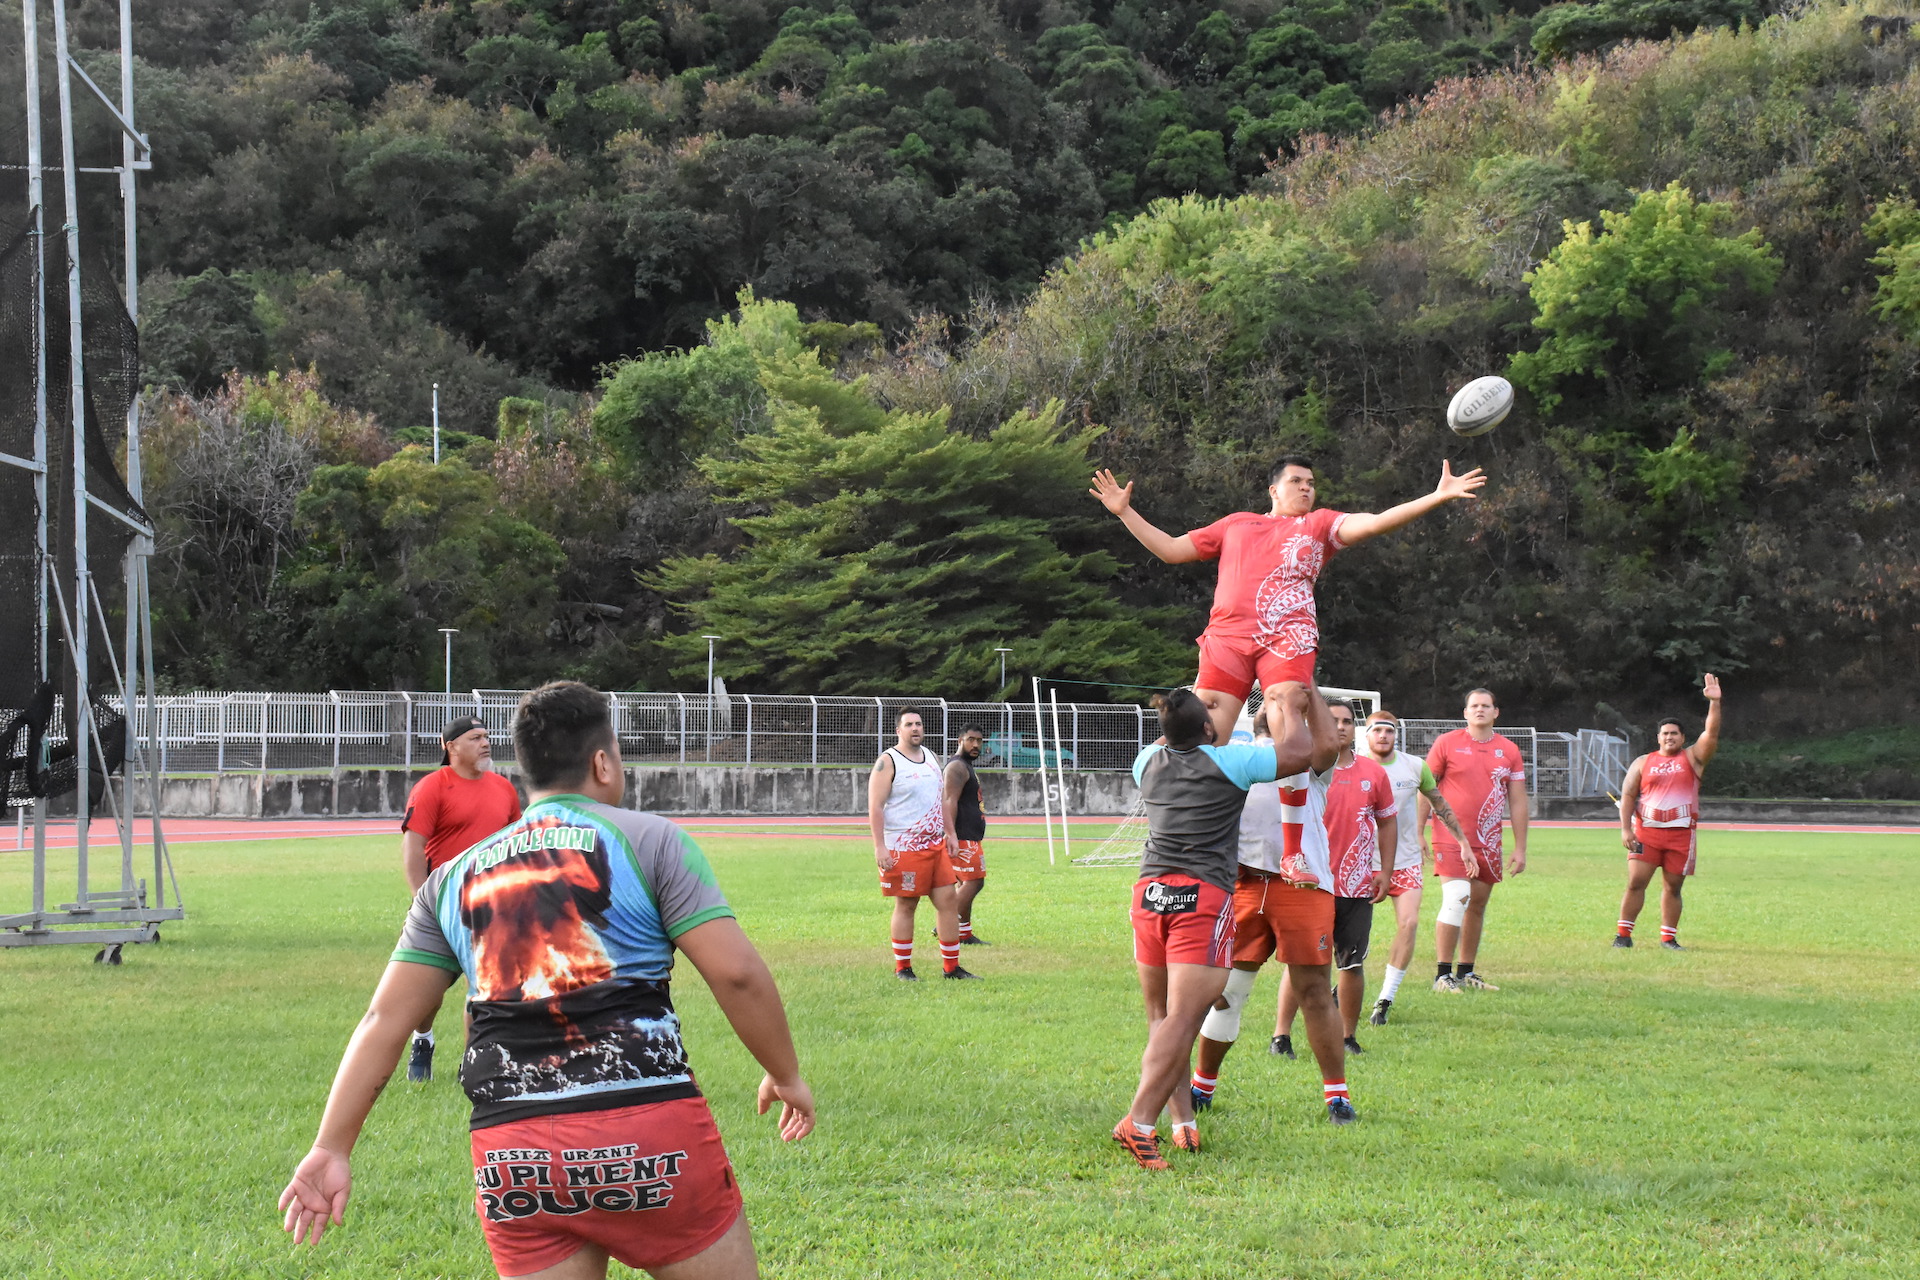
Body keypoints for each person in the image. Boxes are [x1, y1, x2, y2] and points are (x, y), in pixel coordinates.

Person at [279, 680, 816, 1280]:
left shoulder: (450, 879)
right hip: (648, 1129)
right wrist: (785, 1072)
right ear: (603, 761)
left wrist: (332, 1145)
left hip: (513, 1152)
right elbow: (737, 975)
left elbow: (384, 1020)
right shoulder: (652, 840)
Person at [1089, 456, 1485, 747]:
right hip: (1227, 637)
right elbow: (1173, 550)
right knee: (1203, 736)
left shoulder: (1321, 523)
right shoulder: (1237, 523)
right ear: (1273, 490)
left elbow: (1376, 520)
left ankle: (1293, 845)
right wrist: (1125, 512)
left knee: (1287, 716)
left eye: (1311, 482)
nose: (1306, 487)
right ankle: (1189, 830)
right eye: (1296, 481)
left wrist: (1435, 497)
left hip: (1287, 636)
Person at [1115, 685, 1325, 1170]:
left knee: (1162, 1015)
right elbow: (1298, 754)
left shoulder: (1146, 760)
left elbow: (1185, 729)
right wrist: (1291, 709)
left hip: (1149, 893)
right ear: (1209, 730)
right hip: (1201, 898)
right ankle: (1138, 1122)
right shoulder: (1231, 762)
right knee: (1186, 1018)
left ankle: (1180, 1119)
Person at [1183, 689, 1351, 1130]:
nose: (1278, 707)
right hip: (1239, 883)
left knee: (1314, 990)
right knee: (1226, 991)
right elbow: (1201, 730)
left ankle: (1337, 1095)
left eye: (1285, 705)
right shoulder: (1237, 755)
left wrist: (1302, 686)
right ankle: (1203, 1085)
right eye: (1272, 704)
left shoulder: (1309, 760)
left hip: (1301, 885)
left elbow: (1330, 744)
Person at [398, 715, 523, 1082]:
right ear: (449, 746)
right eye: (474, 738)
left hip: (491, 905)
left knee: (483, 986)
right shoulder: (432, 787)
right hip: (441, 905)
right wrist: (424, 903)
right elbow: (414, 848)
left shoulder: (504, 789)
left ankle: (473, 1064)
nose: (485, 743)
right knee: (426, 992)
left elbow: (514, 845)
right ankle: (423, 1038)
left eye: (486, 736)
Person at [1271, 699, 1395, 1055]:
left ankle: (1347, 1036)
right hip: (1312, 882)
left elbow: (1387, 821)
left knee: (1351, 963)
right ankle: (1281, 1035)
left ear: (1356, 729)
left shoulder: (1373, 773)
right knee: (1303, 961)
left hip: (1356, 885)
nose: (1340, 726)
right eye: (1333, 720)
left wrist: (1384, 871)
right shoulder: (1303, 768)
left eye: (1347, 721)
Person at [1357, 710, 1469, 1025]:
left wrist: (1462, 842)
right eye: (1377, 730)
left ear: (1396, 735)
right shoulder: (1353, 766)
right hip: (1361, 863)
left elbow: (1439, 803)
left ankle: (1385, 1000)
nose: (1383, 736)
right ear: (1366, 735)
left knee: (1409, 924)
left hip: (1404, 861)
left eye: (1389, 731)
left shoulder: (1414, 767)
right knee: (1352, 933)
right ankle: (1346, 983)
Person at [1427, 688, 1529, 993]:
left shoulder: (1509, 750)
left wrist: (1520, 847)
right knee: (1457, 898)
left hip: (1489, 840)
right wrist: (1418, 830)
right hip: (1451, 837)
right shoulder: (1447, 744)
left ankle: (1466, 972)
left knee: (1477, 905)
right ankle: (1442, 975)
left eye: (1486, 706)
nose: (1480, 710)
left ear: (1496, 712)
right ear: (1465, 713)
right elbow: (1427, 788)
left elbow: (1518, 800)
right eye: (1475, 706)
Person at [1615, 674, 1724, 950]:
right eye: (1665, 733)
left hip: (1680, 835)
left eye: (1674, 733)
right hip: (1647, 833)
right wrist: (1626, 829)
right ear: (1658, 738)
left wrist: (1714, 703)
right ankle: (1623, 936)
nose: (1669, 737)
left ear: (1682, 737)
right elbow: (1628, 795)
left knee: (1673, 887)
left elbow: (1711, 734)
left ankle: (1668, 939)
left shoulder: (1692, 758)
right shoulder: (1643, 762)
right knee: (1635, 882)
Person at [868, 709, 976, 981]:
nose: (915, 728)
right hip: (903, 847)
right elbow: (875, 806)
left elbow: (940, 800)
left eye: (918, 724)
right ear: (898, 730)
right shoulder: (888, 761)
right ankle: (903, 968)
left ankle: (952, 968)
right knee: (907, 905)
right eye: (909, 725)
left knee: (948, 902)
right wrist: (879, 847)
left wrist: (950, 833)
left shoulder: (931, 757)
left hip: (935, 845)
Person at [942, 724, 991, 945]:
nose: (976, 745)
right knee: (974, 882)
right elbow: (949, 801)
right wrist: (950, 833)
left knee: (966, 884)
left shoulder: (966, 766)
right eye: (971, 739)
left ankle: (964, 933)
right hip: (962, 835)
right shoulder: (956, 767)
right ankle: (944, 922)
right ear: (960, 740)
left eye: (979, 741)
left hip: (971, 835)